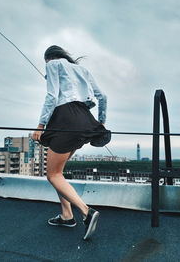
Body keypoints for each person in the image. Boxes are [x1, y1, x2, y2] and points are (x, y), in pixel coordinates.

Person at [32, 45, 111, 240]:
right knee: (59, 173)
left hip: (66, 118)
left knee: (52, 175)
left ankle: (86, 212)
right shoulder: (82, 70)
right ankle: (67, 216)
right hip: (85, 119)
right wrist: (101, 121)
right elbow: (103, 97)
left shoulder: (53, 64)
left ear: (48, 58)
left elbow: (51, 96)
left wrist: (40, 125)